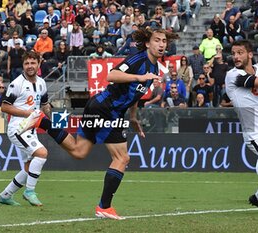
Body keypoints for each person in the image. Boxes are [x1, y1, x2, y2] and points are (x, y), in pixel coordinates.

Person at [18, 28, 179, 219]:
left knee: (79, 152)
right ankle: (104, 207)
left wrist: (134, 117)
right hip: (106, 109)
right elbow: (112, 75)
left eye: (163, 41)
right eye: (157, 40)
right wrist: (139, 77)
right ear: (147, 43)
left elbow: (135, 94)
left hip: (102, 108)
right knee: (122, 158)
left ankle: (42, 121)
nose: (161, 44)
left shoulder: (153, 68)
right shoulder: (138, 60)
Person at [0, 51, 52, 207]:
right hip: (18, 128)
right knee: (42, 154)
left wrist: (49, 116)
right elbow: (5, 107)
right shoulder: (16, 83)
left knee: (29, 167)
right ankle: (29, 191)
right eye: (27, 63)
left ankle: (5, 195)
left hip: (31, 129)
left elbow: (45, 104)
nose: (30, 66)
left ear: (39, 64)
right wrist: (28, 113)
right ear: (23, 65)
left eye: (33, 63)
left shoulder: (41, 82)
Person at [225, 40, 258, 207]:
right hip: (253, 133)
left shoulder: (257, 70)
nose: (236, 57)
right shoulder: (232, 74)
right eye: (233, 53)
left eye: (240, 53)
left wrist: (227, 100)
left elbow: (225, 99)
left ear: (250, 54)